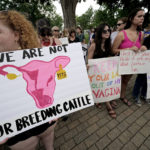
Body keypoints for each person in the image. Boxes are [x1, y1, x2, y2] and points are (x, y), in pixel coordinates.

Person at [0, 10, 57, 150]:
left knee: (49, 141)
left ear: (16, 35)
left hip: (45, 118)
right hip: (17, 131)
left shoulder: (38, 57)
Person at [112, 8, 147, 106]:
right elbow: (113, 50)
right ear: (131, 18)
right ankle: (112, 97)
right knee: (118, 81)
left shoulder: (141, 34)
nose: (142, 18)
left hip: (132, 65)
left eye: (143, 16)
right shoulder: (121, 34)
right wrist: (127, 50)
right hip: (120, 63)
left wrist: (143, 49)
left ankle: (122, 96)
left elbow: (138, 49)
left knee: (126, 81)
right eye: (139, 16)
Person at [88, 23, 117, 118]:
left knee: (106, 86)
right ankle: (108, 105)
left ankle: (101, 100)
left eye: (109, 30)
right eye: (105, 31)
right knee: (100, 86)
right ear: (100, 32)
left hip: (105, 71)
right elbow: (89, 61)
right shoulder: (94, 45)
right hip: (96, 72)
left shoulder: (109, 44)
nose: (107, 32)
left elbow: (109, 56)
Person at [132, 35, 150, 106]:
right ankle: (135, 95)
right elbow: (141, 49)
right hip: (144, 64)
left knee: (147, 81)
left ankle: (144, 94)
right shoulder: (148, 39)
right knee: (140, 79)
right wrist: (143, 48)